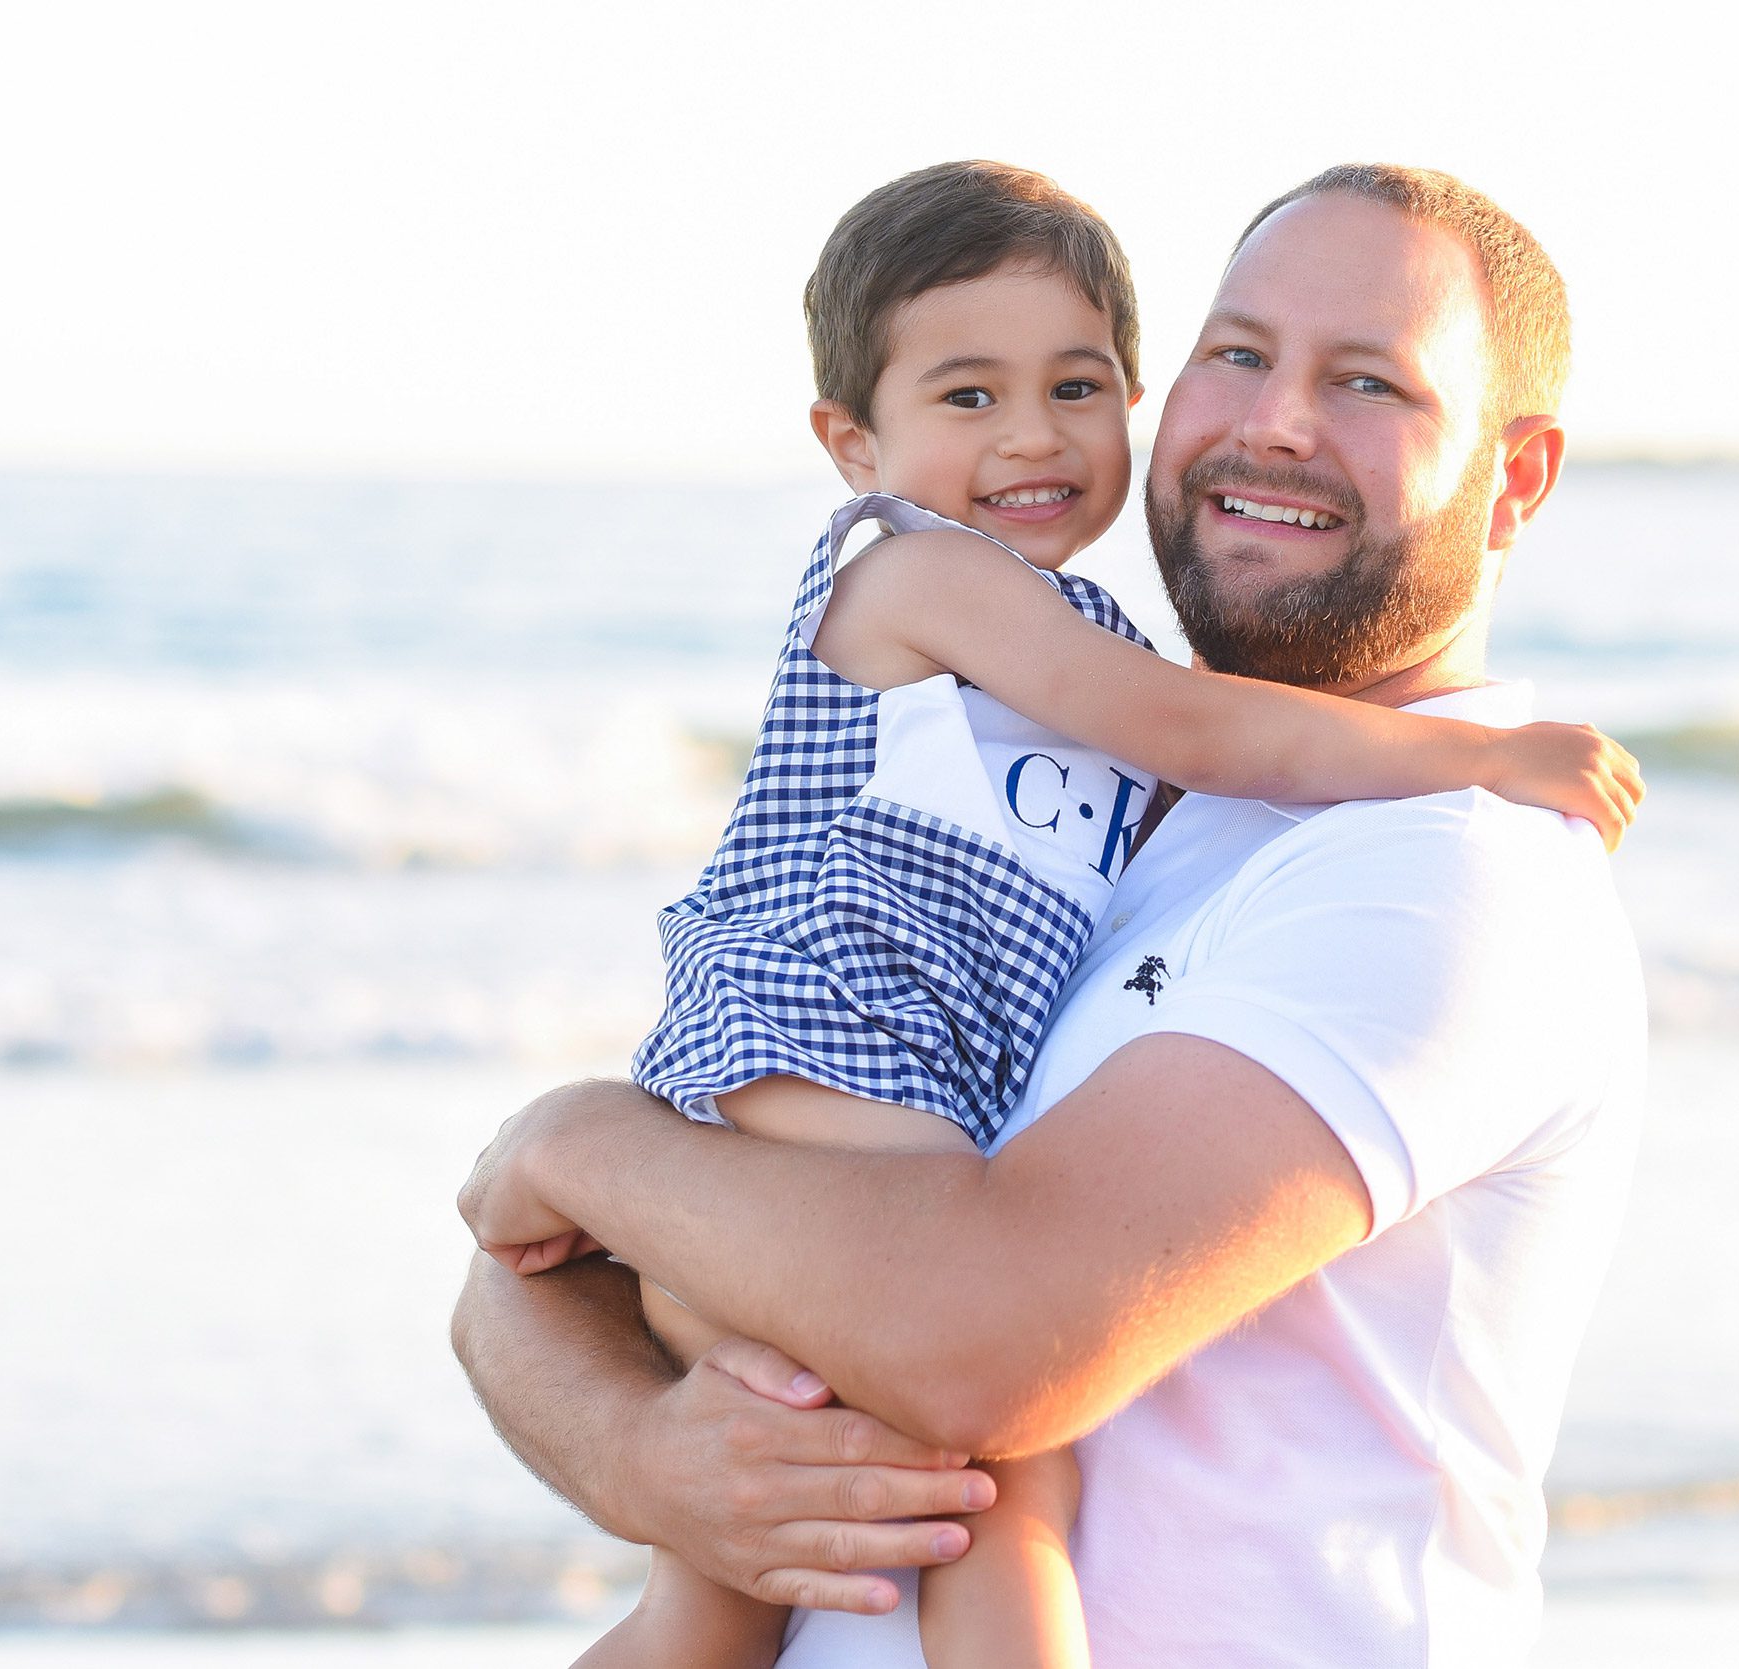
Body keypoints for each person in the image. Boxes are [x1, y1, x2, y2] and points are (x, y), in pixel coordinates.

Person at [457, 162, 1648, 1669]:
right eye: (1238, 352)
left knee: (1000, 1484)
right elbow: (539, 1278)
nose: (1273, 416)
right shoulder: (1098, 803)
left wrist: (579, 1144)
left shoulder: (1448, 871)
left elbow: (978, 1344)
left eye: (1367, 382)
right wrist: (653, 1457)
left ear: (1516, 477)